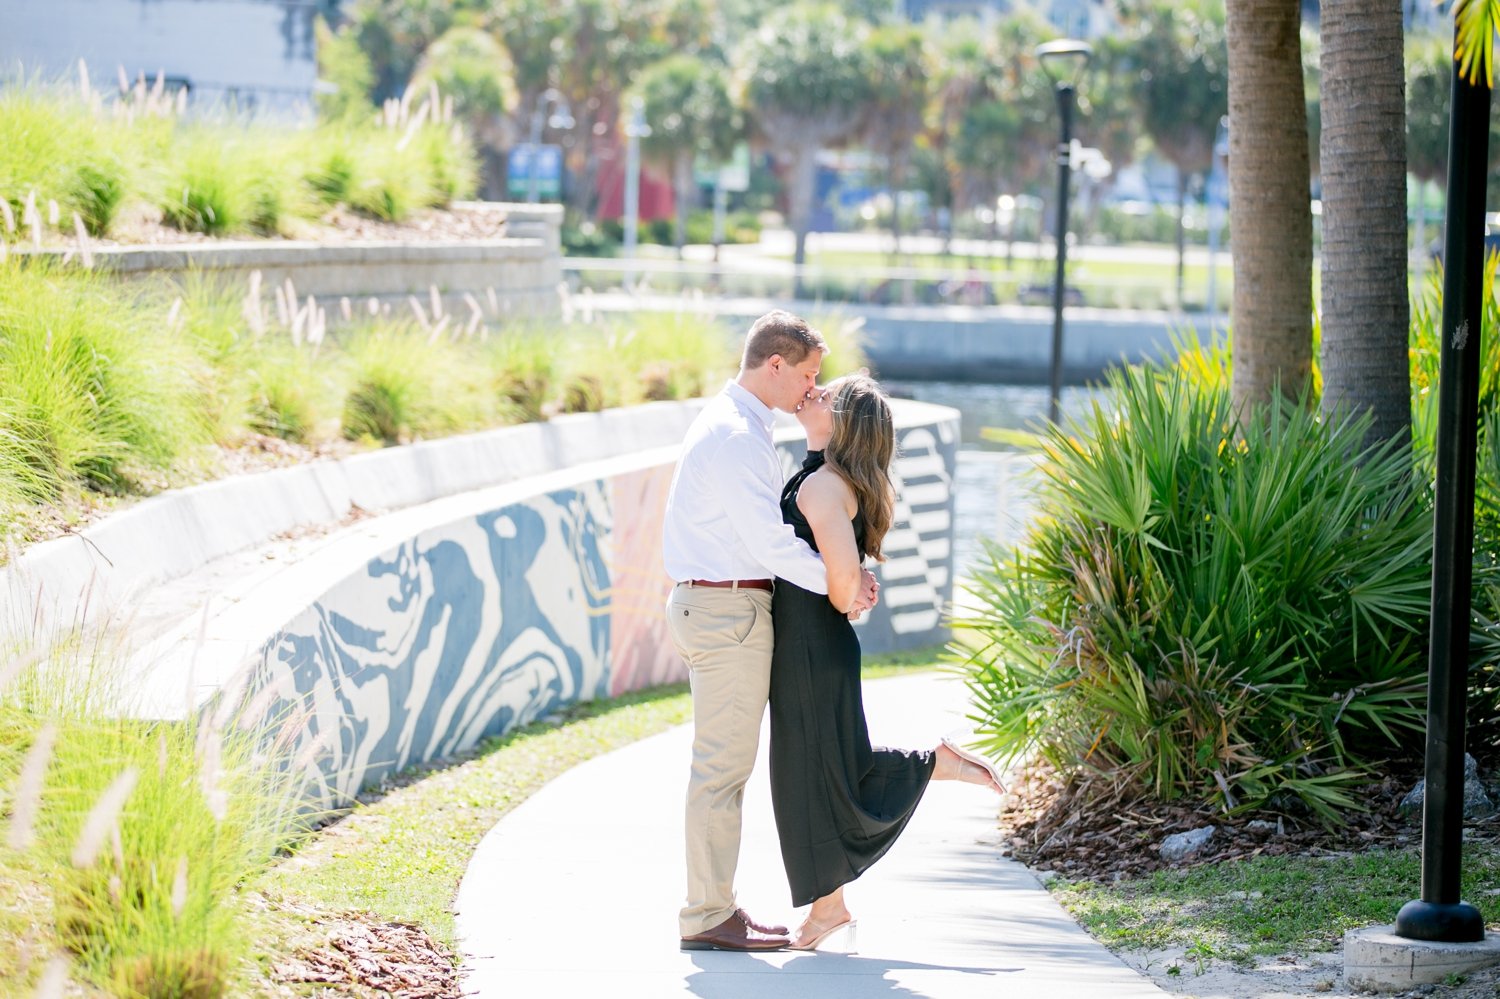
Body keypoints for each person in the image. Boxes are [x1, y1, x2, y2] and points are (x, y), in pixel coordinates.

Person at [663, 311, 879, 952]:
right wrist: (845, 584)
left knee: (725, 770)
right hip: (727, 610)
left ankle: (716, 905)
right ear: (775, 365)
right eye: (808, 374)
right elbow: (769, 542)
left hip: (728, 608)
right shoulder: (735, 435)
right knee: (721, 773)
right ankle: (706, 915)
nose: (813, 387)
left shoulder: (741, 427)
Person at [767, 375, 1006, 952]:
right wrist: (851, 587)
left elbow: (842, 583)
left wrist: (853, 589)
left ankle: (930, 768)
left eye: (826, 393)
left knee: (810, 773)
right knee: (824, 769)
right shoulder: (822, 475)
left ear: (844, 422)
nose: (813, 392)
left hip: (809, 645)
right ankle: (830, 906)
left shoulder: (824, 486)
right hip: (812, 643)